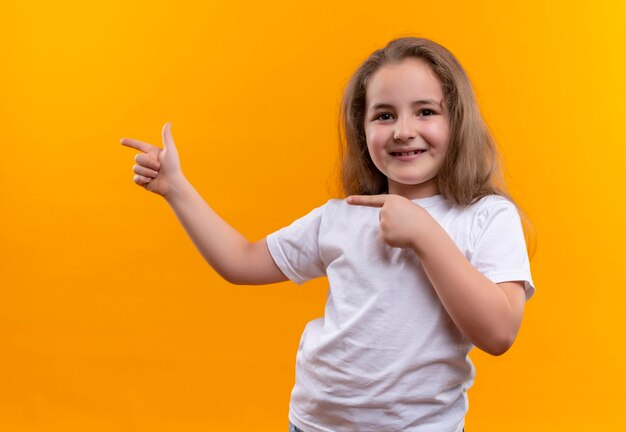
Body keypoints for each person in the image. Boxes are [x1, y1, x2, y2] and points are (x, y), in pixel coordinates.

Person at [121, 37, 535, 432]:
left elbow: (498, 333)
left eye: (426, 111)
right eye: (384, 115)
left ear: (458, 121)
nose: (403, 130)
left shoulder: (487, 216)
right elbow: (242, 260)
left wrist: (425, 236)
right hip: (315, 423)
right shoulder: (342, 217)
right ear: (363, 130)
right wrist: (176, 188)